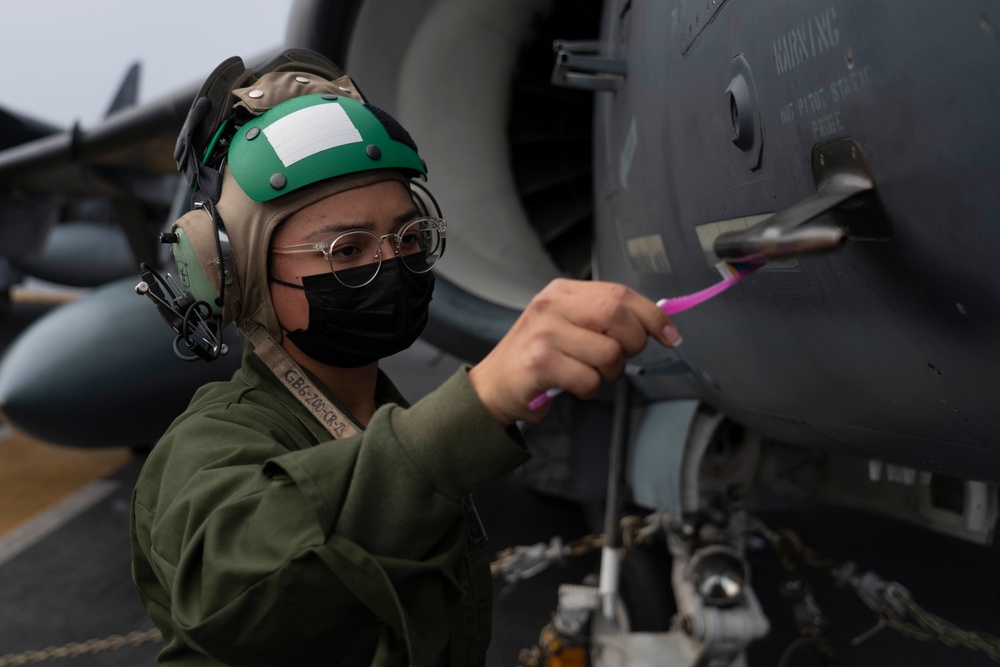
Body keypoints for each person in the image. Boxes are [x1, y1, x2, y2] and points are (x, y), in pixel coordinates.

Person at [130, 49, 682, 666]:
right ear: (235, 275)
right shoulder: (212, 441)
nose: (391, 263)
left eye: (410, 236)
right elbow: (228, 591)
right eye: (344, 250)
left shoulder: (377, 411)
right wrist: (482, 401)